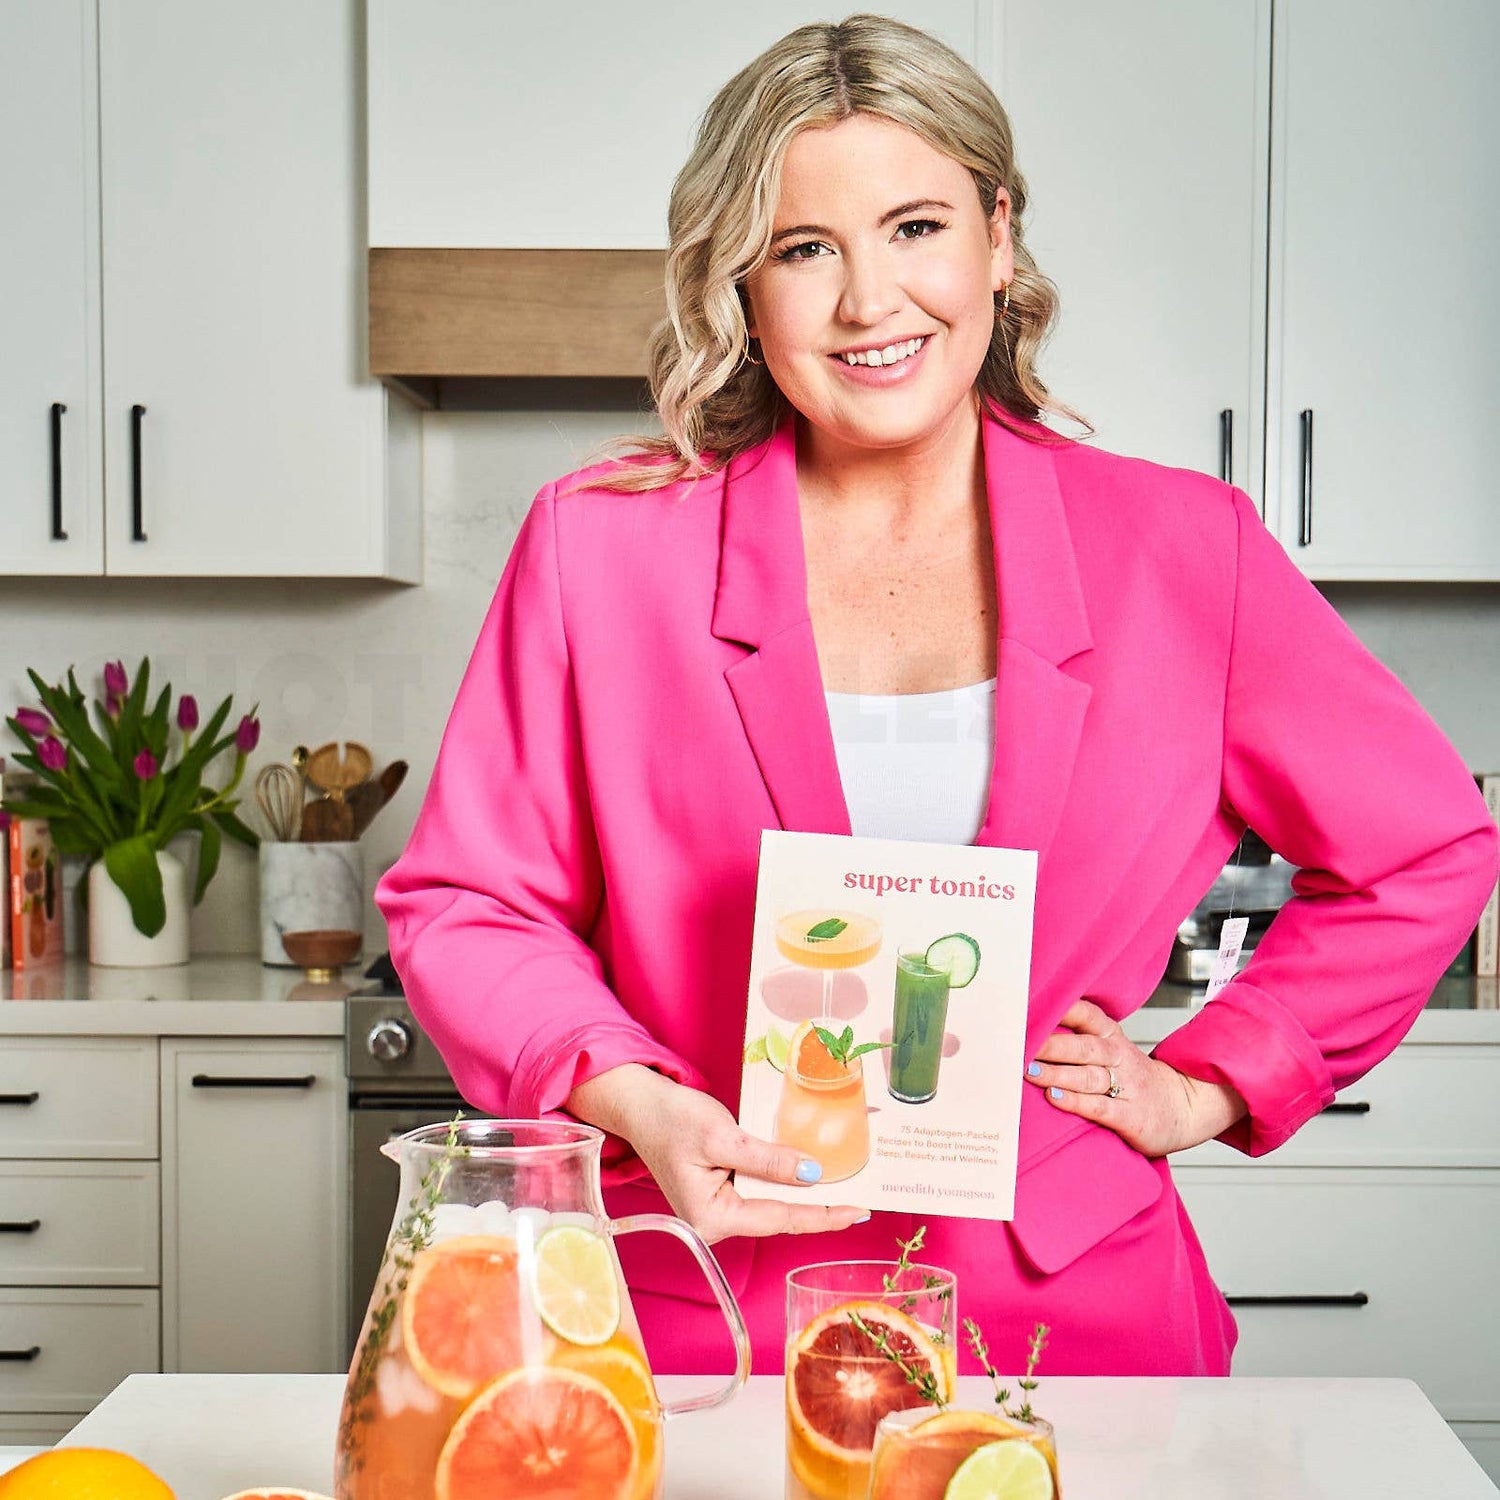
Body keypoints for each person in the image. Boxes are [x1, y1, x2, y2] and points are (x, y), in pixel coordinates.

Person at [376, 15, 1497, 1377]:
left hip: (1076, 1319)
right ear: (740, 286)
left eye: (916, 228)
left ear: (998, 239)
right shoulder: (601, 547)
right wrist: (639, 1103)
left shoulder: (1182, 551)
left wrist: (1211, 1081)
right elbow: (470, 903)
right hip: (711, 1317)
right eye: (804, 248)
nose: (869, 301)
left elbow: (1423, 848)